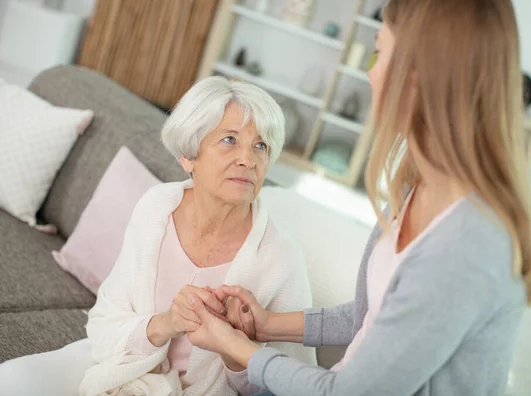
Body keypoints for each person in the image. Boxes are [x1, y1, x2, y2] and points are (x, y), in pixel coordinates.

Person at [182, 0, 531, 395]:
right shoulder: (416, 185)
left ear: (418, 75)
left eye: (377, 53)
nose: (369, 73)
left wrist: (239, 348)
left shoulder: (468, 249)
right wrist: (269, 323)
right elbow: (369, 316)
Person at [0, 77, 316, 395]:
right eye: (230, 140)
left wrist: (234, 352)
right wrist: (167, 322)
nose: (248, 159)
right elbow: (106, 321)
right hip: (120, 367)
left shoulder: (280, 259)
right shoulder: (158, 206)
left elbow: (290, 386)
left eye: (260, 145)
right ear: (188, 155)